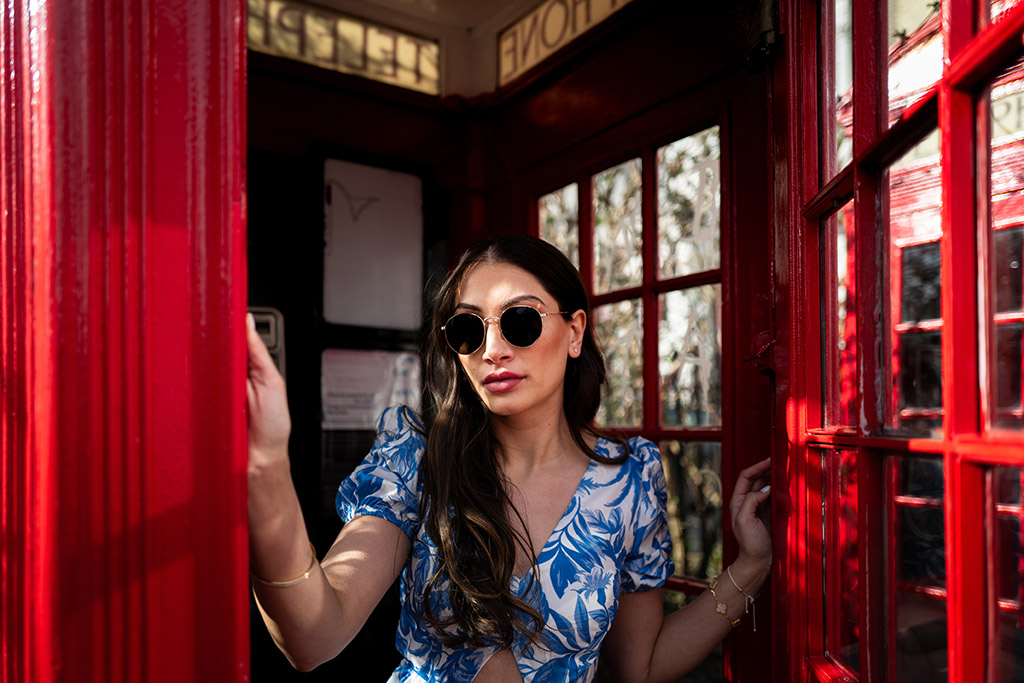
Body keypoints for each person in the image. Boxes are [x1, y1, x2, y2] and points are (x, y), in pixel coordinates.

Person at [246, 235, 772, 682]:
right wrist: (266, 466)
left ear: (574, 332)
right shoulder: (419, 459)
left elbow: (642, 665)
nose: (492, 349)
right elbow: (314, 637)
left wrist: (750, 566)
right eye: (468, 330)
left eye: (519, 321)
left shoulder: (628, 480)